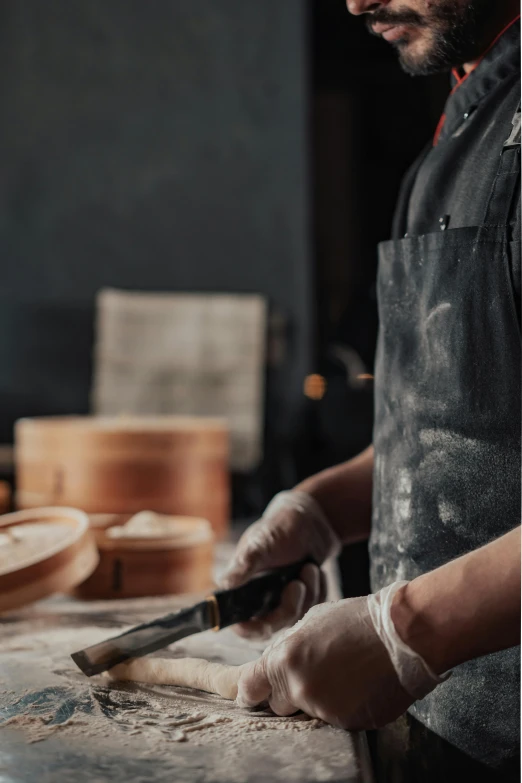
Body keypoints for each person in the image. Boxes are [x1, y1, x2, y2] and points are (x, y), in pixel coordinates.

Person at [223, 2, 521, 780]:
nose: (356, 1)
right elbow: (468, 433)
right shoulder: (460, 128)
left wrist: (407, 628)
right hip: (443, 730)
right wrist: (324, 506)